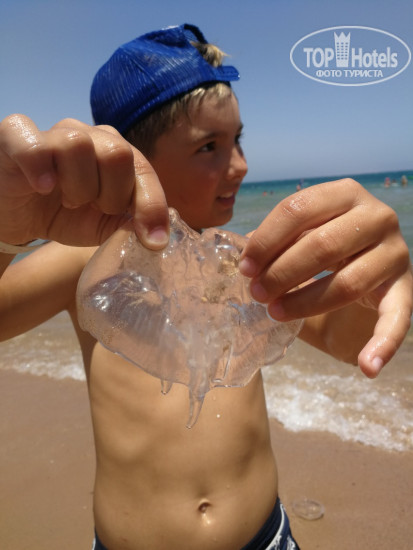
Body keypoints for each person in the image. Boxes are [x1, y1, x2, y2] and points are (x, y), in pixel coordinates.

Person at [0, 23, 412, 550]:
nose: (240, 165)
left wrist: (368, 280)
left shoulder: (243, 259)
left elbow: (345, 340)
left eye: (238, 140)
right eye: (210, 146)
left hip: (268, 537)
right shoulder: (89, 262)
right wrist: (7, 233)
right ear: (130, 157)